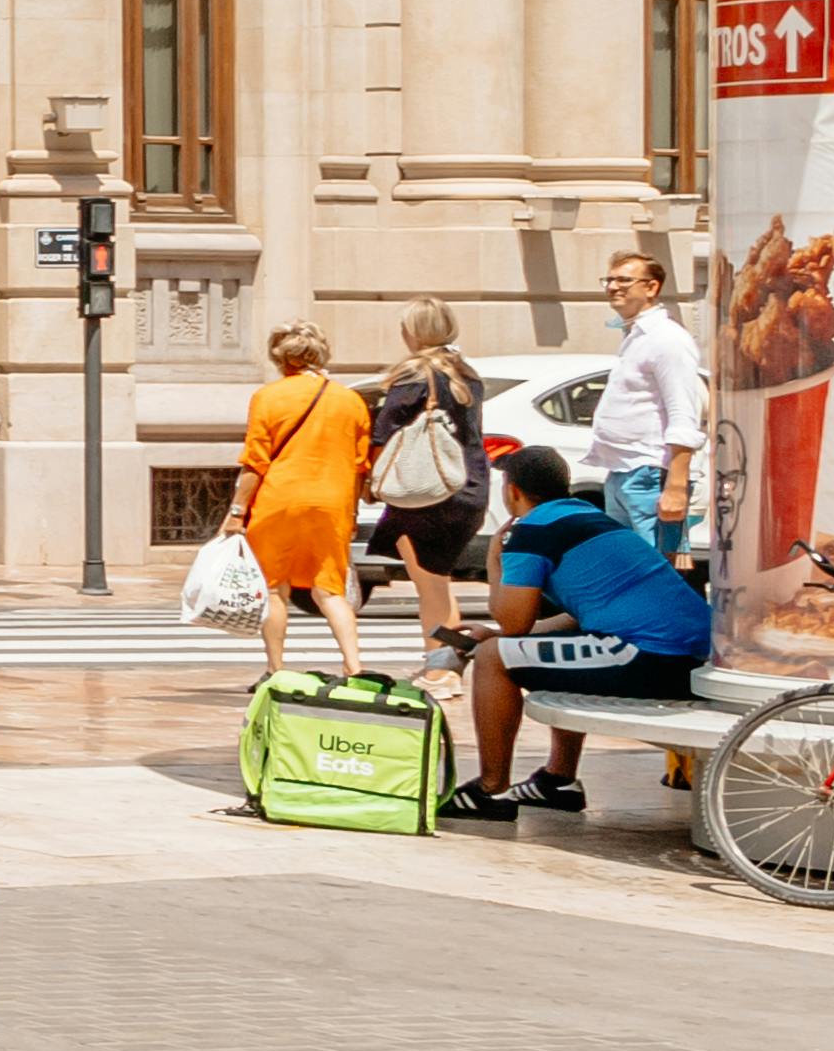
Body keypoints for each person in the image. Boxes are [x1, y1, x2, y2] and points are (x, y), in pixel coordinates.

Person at [453, 439, 715, 817]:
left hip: (651, 655)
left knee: (494, 658)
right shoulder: (590, 518)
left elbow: (513, 623)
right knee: (559, 647)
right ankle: (557, 781)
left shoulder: (530, 532)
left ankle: (490, 790)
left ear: (512, 491)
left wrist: (495, 559)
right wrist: (504, 636)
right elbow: (578, 618)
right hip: (687, 656)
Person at [234, 323, 368, 681]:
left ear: (280, 358)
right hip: (332, 503)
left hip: (278, 501)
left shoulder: (268, 397)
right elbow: (359, 467)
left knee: (275, 587)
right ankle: (353, 664)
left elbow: (255, 461)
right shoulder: (351, 401)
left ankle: (276, 669)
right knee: (330, 590)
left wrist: (236, 511)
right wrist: (352, 512)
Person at [363, 301, 490, 660]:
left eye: (406, 327)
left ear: (417, 332)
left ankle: (440, 669)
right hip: (467, 487)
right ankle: (447, 661)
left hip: (426, 493)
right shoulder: (467, 373)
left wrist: (371, 483)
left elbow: (383, 433)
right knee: (439, 581)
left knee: (430, 587)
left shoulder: (415, 376)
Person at [592, 249, 705, 557]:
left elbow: (684, 413)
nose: (613, 287)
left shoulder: (667, 339)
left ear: (651, 288)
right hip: (622, 470)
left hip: (651, 473)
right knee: (628, 569)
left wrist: (676, 486)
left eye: (624, 280)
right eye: (610, 280)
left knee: (656, 572)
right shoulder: (636, 336)